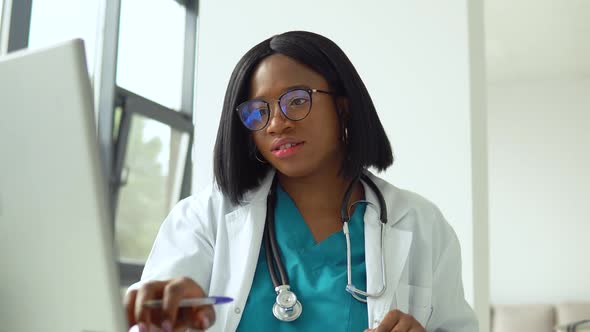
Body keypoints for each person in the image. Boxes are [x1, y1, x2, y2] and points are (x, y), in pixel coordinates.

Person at [125, 30, 478, 332]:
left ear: (343, 107)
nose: (277, 123)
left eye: (296, 101)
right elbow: (151, 318)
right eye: (258, 112)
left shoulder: (421, 223)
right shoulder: (204, 221)